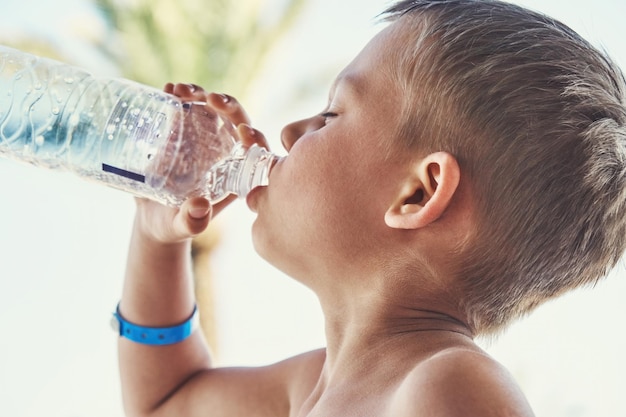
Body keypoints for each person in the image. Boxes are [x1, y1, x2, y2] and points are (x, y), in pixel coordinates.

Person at [113, 0, 626, 416]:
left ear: (418, 194)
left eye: (332, 112)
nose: (290, 132)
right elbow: (165, 401)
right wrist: (155, 237)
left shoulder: (448, 386)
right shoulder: (307, 388)